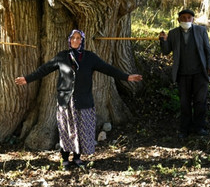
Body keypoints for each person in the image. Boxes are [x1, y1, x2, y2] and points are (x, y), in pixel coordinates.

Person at [15, 29, 142, 170]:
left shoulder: (90, 57)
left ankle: (77, 158)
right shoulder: (62, 57)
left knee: (81, 131)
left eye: (78, 38)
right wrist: (27, 79)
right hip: (66, 101)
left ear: (82, 40)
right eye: (73, 38)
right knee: (66, 131)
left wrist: (127, 77)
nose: (75, 40)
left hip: (84, 101)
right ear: (69, 40)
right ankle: (65, 159)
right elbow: (44, 69)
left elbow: (108, 69)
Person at [159, 9, 210, 139]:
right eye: (183, 18)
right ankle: (185, 128)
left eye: (189, 18)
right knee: (184, 102)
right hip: (182, 74)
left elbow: (208, 51)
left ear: (193, 19)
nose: (186, 20)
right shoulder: (173, 33)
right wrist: (163, 40)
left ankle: (199, 127)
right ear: (178, 20)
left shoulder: (201, 31)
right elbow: (166, 51)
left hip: (200, 73)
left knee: (200, 101)